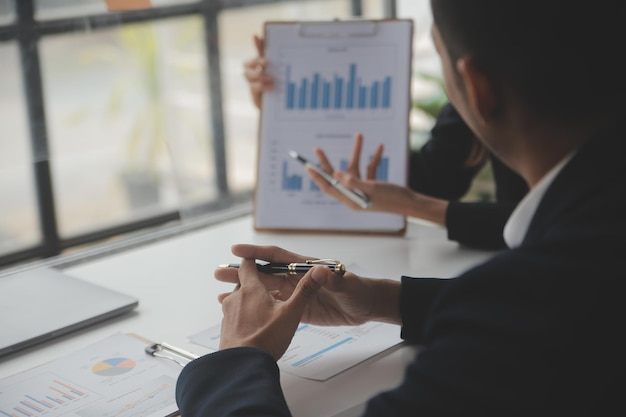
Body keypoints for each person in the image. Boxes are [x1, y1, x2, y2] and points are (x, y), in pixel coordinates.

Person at [176, 0, 626, 415]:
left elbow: (529, 310)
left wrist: (237, 361)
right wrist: (385, 299)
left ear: (476, 88)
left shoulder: (521, 321)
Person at [243, 34, 528, 250]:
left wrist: (417, 206)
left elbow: (540, 227)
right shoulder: (488, 63)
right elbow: (437, 177)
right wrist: (286, 110)